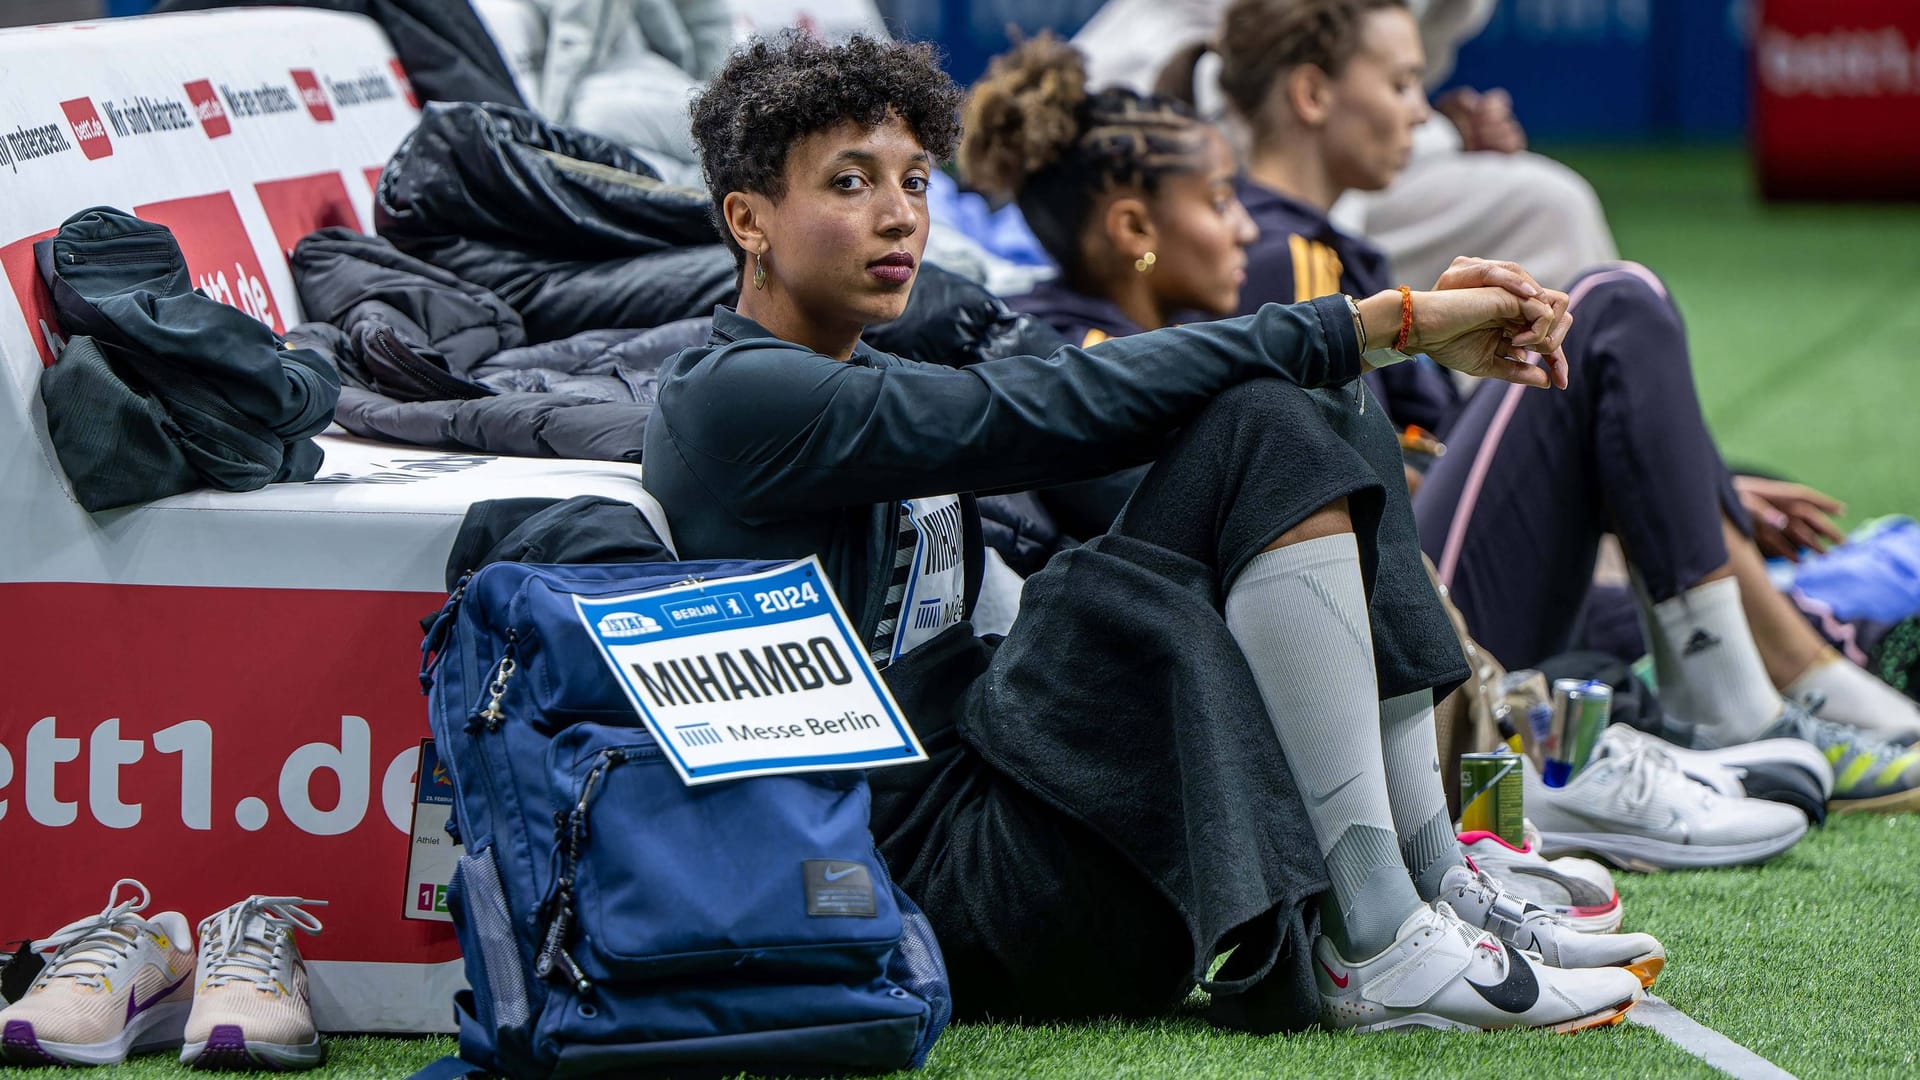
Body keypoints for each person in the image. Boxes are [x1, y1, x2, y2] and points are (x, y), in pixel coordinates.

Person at [647, 29, 1659, 1034]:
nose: (896, 216)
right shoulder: (730, 397)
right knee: (1280, 397)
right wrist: (1377, 321)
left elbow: (1139, 451)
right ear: (749, 219)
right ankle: (1379, 936)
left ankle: (1425, 880)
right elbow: (1041, 408)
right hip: (921, 890)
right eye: (851, 182)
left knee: (1316, 406)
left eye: (914, 182)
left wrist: (1353, 367)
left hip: (1009, 824)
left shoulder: (873, 375)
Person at [1155, 0, 1920, 803]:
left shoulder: (1331, 245)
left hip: (1425, 604)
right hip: (1412, 621)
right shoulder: (1286, 256)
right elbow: (1316, 480)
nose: (1425, 112)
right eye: (1403, 82)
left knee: (1705, 549)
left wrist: (1681, 482)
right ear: (1312, 95)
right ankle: (1767, 702)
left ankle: (1801, 679)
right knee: (1615, 305)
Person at [1073, 0, 1617, 289]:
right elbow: (1247, 87)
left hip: (1317, 149)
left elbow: (1382, 74)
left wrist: (1427, 113)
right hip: (1137, 144)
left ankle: (1535, 435)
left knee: (1547, 206)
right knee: (1307, 283)